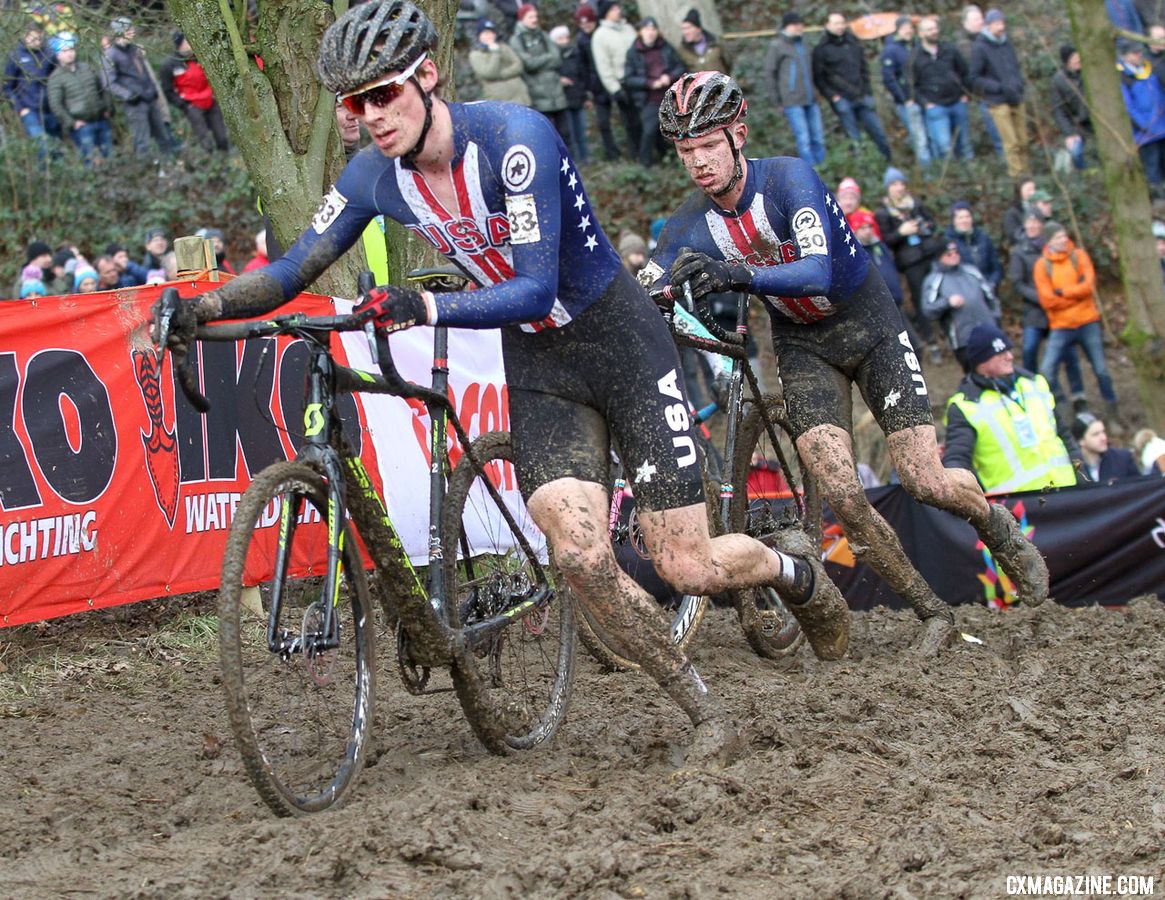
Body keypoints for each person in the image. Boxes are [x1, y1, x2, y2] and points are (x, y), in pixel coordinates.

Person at [157, 1, 850, 766]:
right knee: (581, 560)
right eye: (353, 104)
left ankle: (793, 571)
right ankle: (701, 707)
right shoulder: (369, 176)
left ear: (428, 77)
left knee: (685, 564)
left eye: (383, 94)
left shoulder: (514, 140)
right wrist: (205, 306)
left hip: (618, 341)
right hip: (540, 365)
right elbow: (293, 270)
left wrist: (422, 303)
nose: (369, 117)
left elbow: (530, 286)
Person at [647, 71, 1050, 653]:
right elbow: (652, 283)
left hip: (869, 325)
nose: (699, 162)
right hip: (803, 343)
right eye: (686, 151)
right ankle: (931, 611)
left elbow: (818, 270)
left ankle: (994, 525)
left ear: (739, 134)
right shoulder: (690, 221)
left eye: (709, 145)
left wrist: (737, 274)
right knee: (841, 491)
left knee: (925, 480)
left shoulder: (789, 180)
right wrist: (651, 299)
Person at [944, 323, 1080, 495]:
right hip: (1018, 508)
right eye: (1000, 353)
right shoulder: (965, 406)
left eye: (1008, 350)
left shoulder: (1034, 383)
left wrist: (1082, 477)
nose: (1009, 356)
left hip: (1068, 493)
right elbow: (957, 464)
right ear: (982, 362)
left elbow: (1064, 436)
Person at [1034, 221, 1121, 422]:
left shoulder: (1079, 256)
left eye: (1064, 236)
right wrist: (1075, 294)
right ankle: (1061, 405)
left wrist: (1063, 292)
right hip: (1061, 325)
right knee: (1046, 370)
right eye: (1058, 237)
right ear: (1049, 241)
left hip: (1087, 321)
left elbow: (1088, 286)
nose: (1063, 240)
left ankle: (1112, 411)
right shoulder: (1042, 265)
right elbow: (1047, 300)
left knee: (1101, 369)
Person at [1008, 212, 1087, 410]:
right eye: (1029, 222)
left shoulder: (1054, 248)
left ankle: (1078, 396)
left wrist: (1057, 298)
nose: (1033, 225)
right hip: (1034, 311)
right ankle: (1033, 392)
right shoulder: (1019, 251)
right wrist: (1041, 298)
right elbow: (1017, 283)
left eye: (1036, 222)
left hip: (1058, 310)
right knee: (1029, 350)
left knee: (1069, 354)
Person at [875, 166, 944, 362]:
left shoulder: (915, 204)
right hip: (910, 261)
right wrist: (902, 232)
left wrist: (923, 227)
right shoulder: (884, 213)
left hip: (929, 254)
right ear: (888, 188)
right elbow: (886, 240)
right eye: (895, 184)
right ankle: (931, 341)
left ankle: (944, 336)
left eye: (901, 183)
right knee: (920, 300)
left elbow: (932, 223)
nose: (899, 188)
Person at [812, 12, 892, 160]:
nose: (840, 26)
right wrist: (833, 96)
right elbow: (819, 77)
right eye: (836, 23)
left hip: (862, 95)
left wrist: (867, 90)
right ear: (827, 26)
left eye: (842, 23)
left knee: (878, 133)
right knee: (854, 137)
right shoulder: (821, 50)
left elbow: (864, 68)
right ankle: (862, 166)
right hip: (842, 99)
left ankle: (889, 163)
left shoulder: (853, 43)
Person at [920, 240, 1000, 370]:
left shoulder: (971, 271)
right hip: (964, 339)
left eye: (956, 252)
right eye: (949, 254)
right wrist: (947, 302)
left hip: (990, 331)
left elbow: (990, 297)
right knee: (975, 375)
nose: (954, 256)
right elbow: (927, 309)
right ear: (940, 257)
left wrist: (995, 319)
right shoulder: (934, 279)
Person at [104, 17, 174, 159]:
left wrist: (153, 90)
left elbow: (145, 72)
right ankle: (147, 172)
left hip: (150, 99)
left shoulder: (135, 49)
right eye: (129, 29)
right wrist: (129, 95)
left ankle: (169, 168)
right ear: (120, 32)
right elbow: (109, 83)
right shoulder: (110, 55)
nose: (133, 32)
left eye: (132, 28)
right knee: (143, 142)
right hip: (135, 105)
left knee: (163, 137)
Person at [969, 9, 1027, 178]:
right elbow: (974, 78)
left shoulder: (1007, 43)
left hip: (1016, 96)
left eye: (1002, 22)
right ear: (988, 25)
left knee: (1023, 141)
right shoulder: (979, 47)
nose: (1001, 27)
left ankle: (1027, 175)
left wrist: (1018, 84)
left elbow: (1015, 67)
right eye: (997, 23)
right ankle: (1018, 179)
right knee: (1011, 143)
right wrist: (998, 88)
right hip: (998, 101)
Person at [763, 11, 826, 166]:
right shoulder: (777, 45)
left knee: (818, 137)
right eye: (795, 24)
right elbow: (770, 74)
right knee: (803, 138)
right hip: (791, 100)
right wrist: (777, 101)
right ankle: (812, 171)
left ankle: (824, 167)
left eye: (800, 24)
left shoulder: (804, 43)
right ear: (786, 26)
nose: (799, 27)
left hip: (811, 98)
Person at [621, 17, 683, 168]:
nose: (650, 33)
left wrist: (669, 76)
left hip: (670, 95)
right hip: (649, 99)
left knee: (677, 130)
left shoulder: (666, 47)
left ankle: (678, 161)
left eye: (653, 29)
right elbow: (629, 79)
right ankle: (645, 165)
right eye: (647, 29)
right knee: (649, 131)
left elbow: (680, 67)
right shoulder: (633, 52)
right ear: (640, 32)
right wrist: (649, 83)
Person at [911, 16, 973, 162]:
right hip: (935, 107)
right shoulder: (914, 57)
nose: (934, 32)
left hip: (957, 103)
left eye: (935, 28)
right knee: (944, 147)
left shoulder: (950, 49)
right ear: (920, 34)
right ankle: (952, 178)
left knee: (965, 145)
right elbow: (911, 85)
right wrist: (925, 103)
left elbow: (965, 72)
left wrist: (965, 94)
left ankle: (974, 178)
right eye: (929, 29)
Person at [46, 31, 112, 165]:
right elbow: (56, 105)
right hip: (82, 125)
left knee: (110, 158)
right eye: (64, 51)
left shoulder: (87, 68)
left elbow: (102, 89)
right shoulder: (55, 78)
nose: (69, 53)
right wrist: (72, 123)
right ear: (58, 54)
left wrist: (108, 108)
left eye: (71, 49)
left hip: (101, 120)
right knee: (90, 162)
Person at [159, 32, 230, 153]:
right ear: (180, 44)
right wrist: (184, 105)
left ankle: (225, 157)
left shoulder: (201, 56)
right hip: (192, 105)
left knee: (221, 135)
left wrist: (215, 95)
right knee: (204, 138)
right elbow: (168, 90)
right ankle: (210, 160)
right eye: (186, 42)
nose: (190, 44)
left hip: (210, 100)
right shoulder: (170, 65)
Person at [509, 4, 570, 142]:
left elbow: (557, 57)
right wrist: (547, 58)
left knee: (565, 132)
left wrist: (541, 61)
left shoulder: (543, 35)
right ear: (522, 18)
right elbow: (529, 64)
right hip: (537, 93)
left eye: (536, 16)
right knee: (546, 134)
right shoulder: (517, 40)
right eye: (531, 17)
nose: (534, 19)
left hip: (556, 91)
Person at [590, 0, 640, 160]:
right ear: (606, 12)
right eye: (613, 8)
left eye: (618, 7)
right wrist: (615, 89)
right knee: (631, 123)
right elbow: (603, 67)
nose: (618, 10)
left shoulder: (628, 29)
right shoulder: (600, 36)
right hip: (622, 84)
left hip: (640, 79)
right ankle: (636, 156)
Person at [881, 15, 930, 170]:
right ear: (898, 30)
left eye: (910, 28)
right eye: (905, 28)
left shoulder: (918, 46)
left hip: (927, 98)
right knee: (920, 140)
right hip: (908, 102)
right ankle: (927, 174)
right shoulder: (891, 50)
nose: (908, 31)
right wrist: (904, 99)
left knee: (932, 136)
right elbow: (889, 79)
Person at [3, 22, 60, 156]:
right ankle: (43, 175)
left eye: (39, 39)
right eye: (34, 39)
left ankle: (58, 176)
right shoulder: (15, 56)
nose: (37, 42)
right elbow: (7, 87)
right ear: (25, 36)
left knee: (56, 148)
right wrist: (20, 108)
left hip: (50, 109)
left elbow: (58, 80)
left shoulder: (49, 54)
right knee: (42, 146)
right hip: (29, 110)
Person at [1116, 38, 1165, 190]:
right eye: (1135, 53)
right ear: (1125, 55)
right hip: (1145, 134)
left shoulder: (1149, 68)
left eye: (1139, 52)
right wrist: (1145, 126)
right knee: (1153, 170)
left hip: (1162, 127)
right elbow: (1128, 107)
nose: (1139, 55)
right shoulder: (1123, 76)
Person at [956, 4, 1004, 156]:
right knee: (999, 136)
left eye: (981, 18)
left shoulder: (992, 38)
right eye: (976, 19)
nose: (980, 22)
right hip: (985, 95)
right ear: (966, 24)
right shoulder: (964, 46)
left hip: (1003, 90)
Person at [573, 5, 612, 161]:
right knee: (603, 122)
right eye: (582, 24)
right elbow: (581, 68)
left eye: (588, 22)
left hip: (611, 80)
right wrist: (586, 91)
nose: (586, 26)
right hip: (596, 86)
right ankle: (611, 153)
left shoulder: (603, 34)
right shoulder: (580, 41)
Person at [551, 24, 590, 164]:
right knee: (570, 133)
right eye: (560, 38)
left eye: (566, 37)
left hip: (578, 97)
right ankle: (574, 161)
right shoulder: (553, 58)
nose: (565, 41)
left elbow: (581, 76)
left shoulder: (575, 54)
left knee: (581, 130)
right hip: (564, 100)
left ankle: (586, 157)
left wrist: (585, 97)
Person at [469, 18, 530, 104]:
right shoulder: (476, 54)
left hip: (520, 98)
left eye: (492, 33)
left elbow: (518, 65)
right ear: (479, 36)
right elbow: (489, 74)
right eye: (486, 33)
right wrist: (495, 52)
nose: (490, 36)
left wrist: (500, 74)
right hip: (500, 102)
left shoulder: (504, 47)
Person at [946, 200, 1002, 293]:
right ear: (954, 220)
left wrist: (992, 283)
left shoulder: (983, 237)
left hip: (988, 288)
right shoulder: (947, 242)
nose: (964, 220)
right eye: (960, 217)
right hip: (963, 292)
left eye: (967, 217)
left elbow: (996, 267)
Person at [1051, 44, 1090, 172]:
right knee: (1076, 152)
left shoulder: (1089, 72)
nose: (1077, 60)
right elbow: (1059, 111)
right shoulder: (1059, 81)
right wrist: (1069, 133)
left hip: (1095, 121)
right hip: (1078, 126)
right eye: (1073, 57)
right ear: (1067, 61)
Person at [1073, 413, 1141, 482]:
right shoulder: (1073, 467)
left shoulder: (1123, 459)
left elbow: (1139, 488)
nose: (1103, 438)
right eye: (1095, 434)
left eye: (1103, 432)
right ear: (1081, 440)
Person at [677, 8, 731, 75]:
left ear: (698, 28)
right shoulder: (682, 50)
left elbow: (728, 63)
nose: (685, 32)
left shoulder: (716, 42)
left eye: (688, 28)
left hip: (721, 83)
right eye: (683, 29)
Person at [1001, 175, 1037, 247]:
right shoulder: (1011, 213)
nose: (1032, 193)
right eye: (1029, 190)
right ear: (1019, 191)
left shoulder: (1038, 209)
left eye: (1034, 189)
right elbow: (1014, 235)